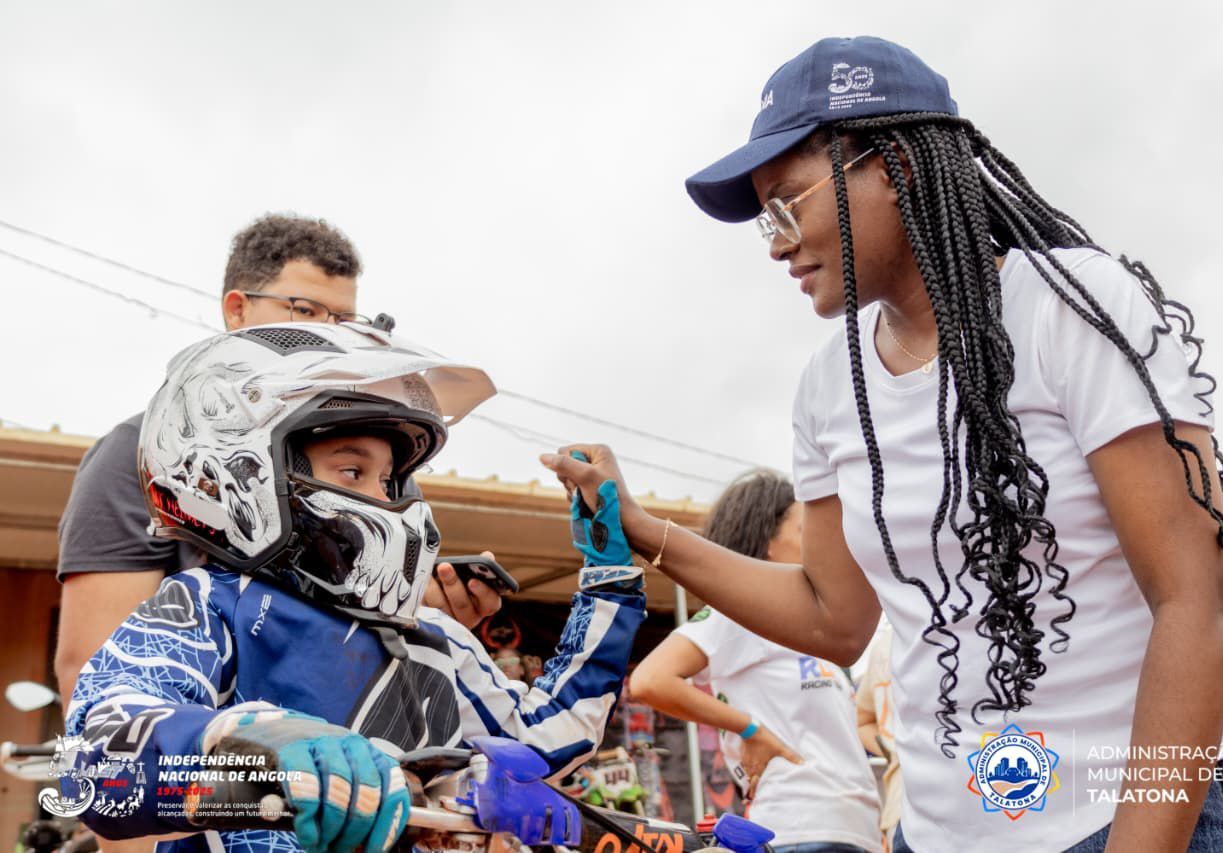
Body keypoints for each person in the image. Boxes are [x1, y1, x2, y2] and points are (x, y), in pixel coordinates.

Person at [541, 36, 1223, 852]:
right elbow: (834, 616)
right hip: (940, 832)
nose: (777, 242)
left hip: (1135, 819)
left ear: (894, 166)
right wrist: (646, 531)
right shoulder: (829, 388)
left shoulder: (1068, 309)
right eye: (765, 223)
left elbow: (1199, 602)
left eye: (786, 204)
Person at [65, 321, 648, 853]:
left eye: (391, 478)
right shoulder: (211, 606)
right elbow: (98, 764)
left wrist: (609, 582)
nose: (387, 498)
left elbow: (544, 741)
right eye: (353, 472)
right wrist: (255, 745)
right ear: (242, 469)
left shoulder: (428, 636)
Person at [54, 214, 502, 707]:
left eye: (345, 319)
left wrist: (426, 609)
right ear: (237, 309)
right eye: (307, 310)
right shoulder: (135, 452)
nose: (331, 333)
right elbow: (92, 670)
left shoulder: (378, 458)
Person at [630, 470, 880, 853]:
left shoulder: (814, 633)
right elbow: (651, 680)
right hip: (797, 828)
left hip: (848, 832)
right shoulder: (742, 616)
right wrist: (750, 730)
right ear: (766, 542)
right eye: (806, 532)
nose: (823, 544)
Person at [855, 630, 902, 849]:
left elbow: (862, 721)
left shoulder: (884, 644)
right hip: (977, 799)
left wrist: (897, 752)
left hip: (902, 804)